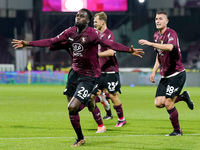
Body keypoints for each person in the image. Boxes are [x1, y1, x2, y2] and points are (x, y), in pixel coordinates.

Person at [12, 8, 144, 146]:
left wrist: (129, 50)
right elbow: (51, 41)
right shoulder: (70, 32)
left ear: (88, 21)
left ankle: (81, 137)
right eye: (77, 15)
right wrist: (28, 44)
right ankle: (88, 103)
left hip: (88, 76)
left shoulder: (93, 34)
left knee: (72, 107)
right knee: (72, 105)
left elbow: (110, 44)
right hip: (74, 74)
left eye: (82, 16)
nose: (78, 18)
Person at [138, 11, 194, 136]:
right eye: (156, 19)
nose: (157, 21)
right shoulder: (156, 36)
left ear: (166, 21)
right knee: (158, 103)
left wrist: (150, 43)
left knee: (168, 102)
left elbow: (169, 47)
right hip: (165, 75)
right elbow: (159, 55)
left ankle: (177, 131)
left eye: (161, 19)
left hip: (177, 74)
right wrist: (153, 72)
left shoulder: (171, 33)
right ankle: (183, 96)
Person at [93, 12, 135, 127]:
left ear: (102, 22)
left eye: (95, 21)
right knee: (96, 93)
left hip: (110, 71)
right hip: (99, 71)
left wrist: (95, 55)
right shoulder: (95, 35)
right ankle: (108, 113)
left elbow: (111, 51)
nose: (94, 23)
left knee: (112, 95)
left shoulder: (108, 34)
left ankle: (121, 119)